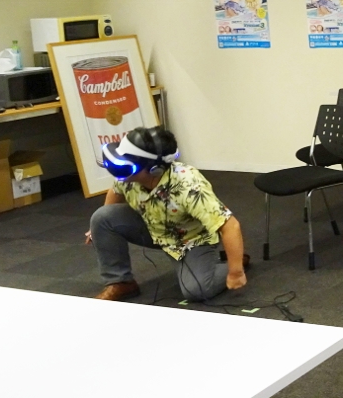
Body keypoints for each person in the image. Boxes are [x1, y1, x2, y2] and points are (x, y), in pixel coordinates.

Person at [85, 126, 248, 302]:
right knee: (102, 218)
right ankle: (121, 282)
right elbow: (116, 190)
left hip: (191, 239)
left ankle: (233, 262)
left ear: (154, 170)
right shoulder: (129, 175)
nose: (118, 169)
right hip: (153, 227)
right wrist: (99, 230)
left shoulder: (188, 186)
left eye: (124, 164)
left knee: (196, 290)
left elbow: (231, 226)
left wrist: (236, 272)